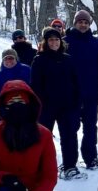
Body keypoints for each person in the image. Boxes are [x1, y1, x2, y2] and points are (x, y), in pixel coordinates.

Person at [30, 27, 83, 179]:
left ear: (61, 41)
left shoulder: (68, 59)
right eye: (51, 40)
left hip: (67, 106)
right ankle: (41, 167)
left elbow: (76, 83)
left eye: (57, 39)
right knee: (43, 137)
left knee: (69, 136)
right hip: (46, 107)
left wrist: (77, 104)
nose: (54, 42)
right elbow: (35, 86)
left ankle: (70, 166)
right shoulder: (39, 60)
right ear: (46, 42)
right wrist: (38, 106)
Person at [63, 9, 98, 170]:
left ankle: (91, 158)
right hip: (70, 95)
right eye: (80, 22)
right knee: (71, 129)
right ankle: (70, 163)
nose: (83, 24)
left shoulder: (95, 43)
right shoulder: (65, 42)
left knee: (90, 128)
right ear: (74, 23)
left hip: (91, 94)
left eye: (86, 22)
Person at [0, 48, 32, 121]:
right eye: (6, 59)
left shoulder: (27, 70)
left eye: (11, 58)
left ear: (16, 59)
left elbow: (34, 91)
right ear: (2, 61)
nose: (8, 60)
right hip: (7, 112)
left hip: (27, 110)